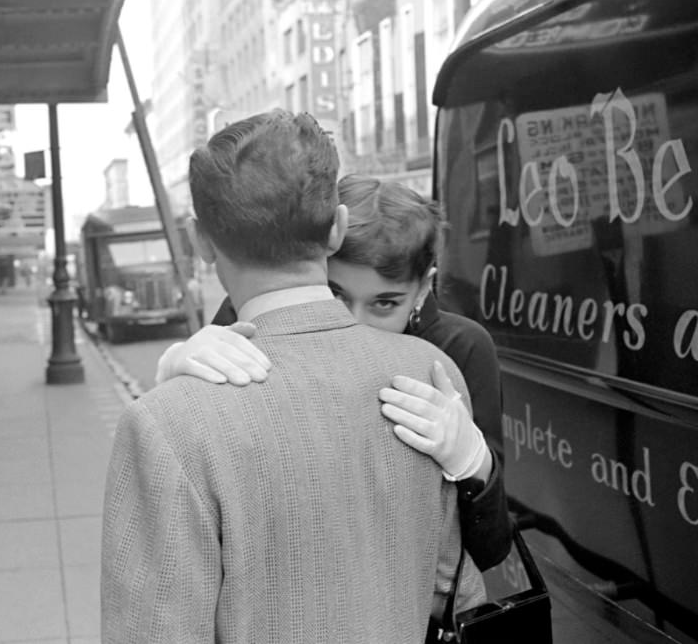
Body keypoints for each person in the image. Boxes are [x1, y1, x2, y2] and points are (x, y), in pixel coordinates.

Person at [101, 111, 484, 642]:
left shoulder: (166, 426)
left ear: (201, 242)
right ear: (337, 228)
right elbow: (455, 586)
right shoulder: (430, 374)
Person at [158, 175, 512, 573]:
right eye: (336, 294)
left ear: (423, 289)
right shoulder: (254, 320)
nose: (354, 322)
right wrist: (178, 370)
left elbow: (491, 548)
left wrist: (473, 464)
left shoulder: (459, 347)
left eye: (384, 304)